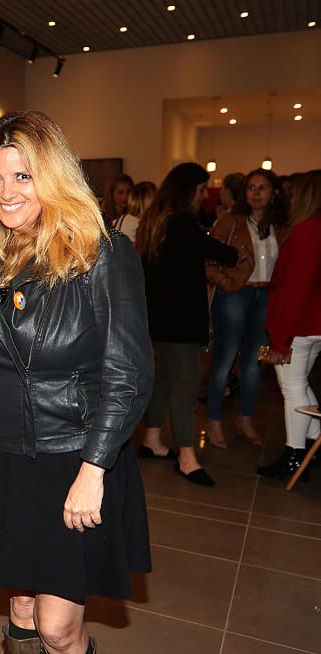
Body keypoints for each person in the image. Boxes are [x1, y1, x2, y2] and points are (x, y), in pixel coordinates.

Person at [0, 110, 153, 654]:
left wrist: (95, 469)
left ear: (54, 177)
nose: (6, 192)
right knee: (19, 605)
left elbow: (129, 373)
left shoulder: (100, 254)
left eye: (24, 176)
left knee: (57, 627)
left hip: (71, 458)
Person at [136, 163, 240, 486]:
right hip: (179, 320)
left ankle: (152, 439)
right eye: (199, 191)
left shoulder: (156, 220)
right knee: (185, 385)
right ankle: (186, 456)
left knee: (165, 380)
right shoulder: (181, 223)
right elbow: (222, 253)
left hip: (161, 318)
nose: (202, 198)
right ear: (187, 191)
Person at [204, 168, 288, 448]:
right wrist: (225, 283)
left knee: (253, 364)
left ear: (273, 192)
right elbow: (209, 258)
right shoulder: (232, 221)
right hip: (235, 295)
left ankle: (245, 418)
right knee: (225, 360)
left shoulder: (283, 225)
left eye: (262, 188)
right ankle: (214, 420)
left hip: (267, 296)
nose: (256, 193)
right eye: (251, 188)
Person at [257, 169, 321, 479]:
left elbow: (294, 291)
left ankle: (295, 453)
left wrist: (280, 342)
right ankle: (312, 445)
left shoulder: (307, 232)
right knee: (301, 385)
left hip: (302, 325)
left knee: (292, 388)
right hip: (313, 324)